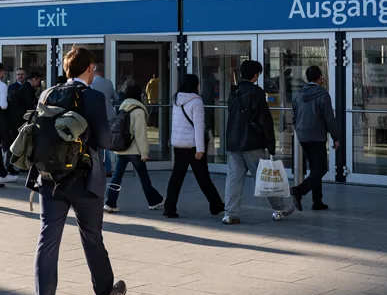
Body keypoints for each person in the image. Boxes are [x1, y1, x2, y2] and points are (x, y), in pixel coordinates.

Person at [30, 47, 126, 295]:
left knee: (48, 240)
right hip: (85, 179)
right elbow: (105, 141)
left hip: (50, 178)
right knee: (91, 236)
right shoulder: (93, 97)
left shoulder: (47, 94)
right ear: (90, 68)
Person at [223, 59, 295, 224]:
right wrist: (270, 143)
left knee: (234, 178)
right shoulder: (257, 92)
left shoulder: (234, 91)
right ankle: (280, 207)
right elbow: (264, 119)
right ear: (255, 75)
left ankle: (230, 213)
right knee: (265, 177)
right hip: (252, 141)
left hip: (234, 141)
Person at [165, 74, 225, 219]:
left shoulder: (176, 99)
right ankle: (216, 205)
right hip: (193, 145)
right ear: (195, 85)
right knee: (203, 177)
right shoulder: (196, 101)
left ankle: (169, 208)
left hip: (179, 144)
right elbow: (199, 126)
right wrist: (200, 149)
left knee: (176, 178)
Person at [104, 84, 164, 213]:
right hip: (135, 151)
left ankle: (110, 202)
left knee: (117, 176)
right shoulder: (138, 111)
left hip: (122, 149)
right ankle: (154, 201)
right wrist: (144, 153)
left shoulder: (122, 107)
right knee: (144, 178)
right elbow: (140, 134)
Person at [290, 66, 340, 212]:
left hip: (302, 136)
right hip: (317, 136)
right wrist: (335, 137)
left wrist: (299, 129)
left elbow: (294, 117)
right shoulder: (323, 95)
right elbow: (329, 119)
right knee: (321, 168)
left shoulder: (297, 94)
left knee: (314, 169)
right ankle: (300, 190)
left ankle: (317, 201)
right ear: (320, 78)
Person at [90, 63, 116, 176]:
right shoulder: (108, 83)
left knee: (98, 143)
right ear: (101, 72)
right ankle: (108, 168)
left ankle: (100, 168)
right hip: (109, 116)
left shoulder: (91, 85)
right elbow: (116, 98)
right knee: (107, 144)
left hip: (97, 117)